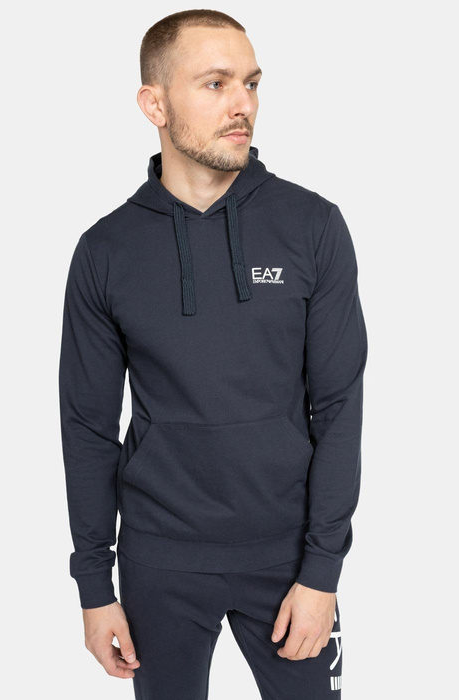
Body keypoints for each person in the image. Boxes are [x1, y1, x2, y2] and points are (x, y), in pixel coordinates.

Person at [58, 9, 368, 699]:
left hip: (289, 562)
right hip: (159, 564)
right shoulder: (106, 252)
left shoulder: (312, 227)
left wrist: (322, 572)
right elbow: (87, 428)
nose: (243, 104)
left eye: (251, 83)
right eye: (216, 83)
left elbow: (340, 408)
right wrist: (94, 586)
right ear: (155, 105)